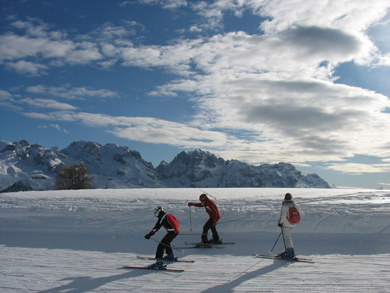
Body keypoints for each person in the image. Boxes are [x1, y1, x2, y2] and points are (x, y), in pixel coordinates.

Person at [277, 192, 301, 259]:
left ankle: (290, 253)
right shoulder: (296, 205)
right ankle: (289, 251)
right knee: (288, 237)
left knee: (287, 238)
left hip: (286, 224)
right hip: (293, 224)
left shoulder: (285, 206)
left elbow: (283, 216)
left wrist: (280, 222)